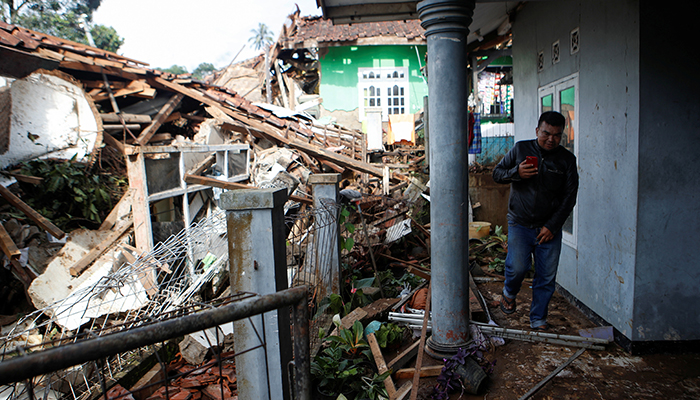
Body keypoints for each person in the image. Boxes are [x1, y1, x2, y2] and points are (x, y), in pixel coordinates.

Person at [492, 111, 578, 331]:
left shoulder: (567, 160)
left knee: (546, 277)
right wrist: (516, 172)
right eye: (546, 133)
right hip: (520, 223)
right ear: (537, 130)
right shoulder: (521, 149)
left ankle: (538, 319)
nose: (551, 139)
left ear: (563, 136)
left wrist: (553, 225)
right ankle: (509, 293)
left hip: (548, 227)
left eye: (557, 135)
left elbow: (570, 197)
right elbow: (497, 173)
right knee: (517, 267)